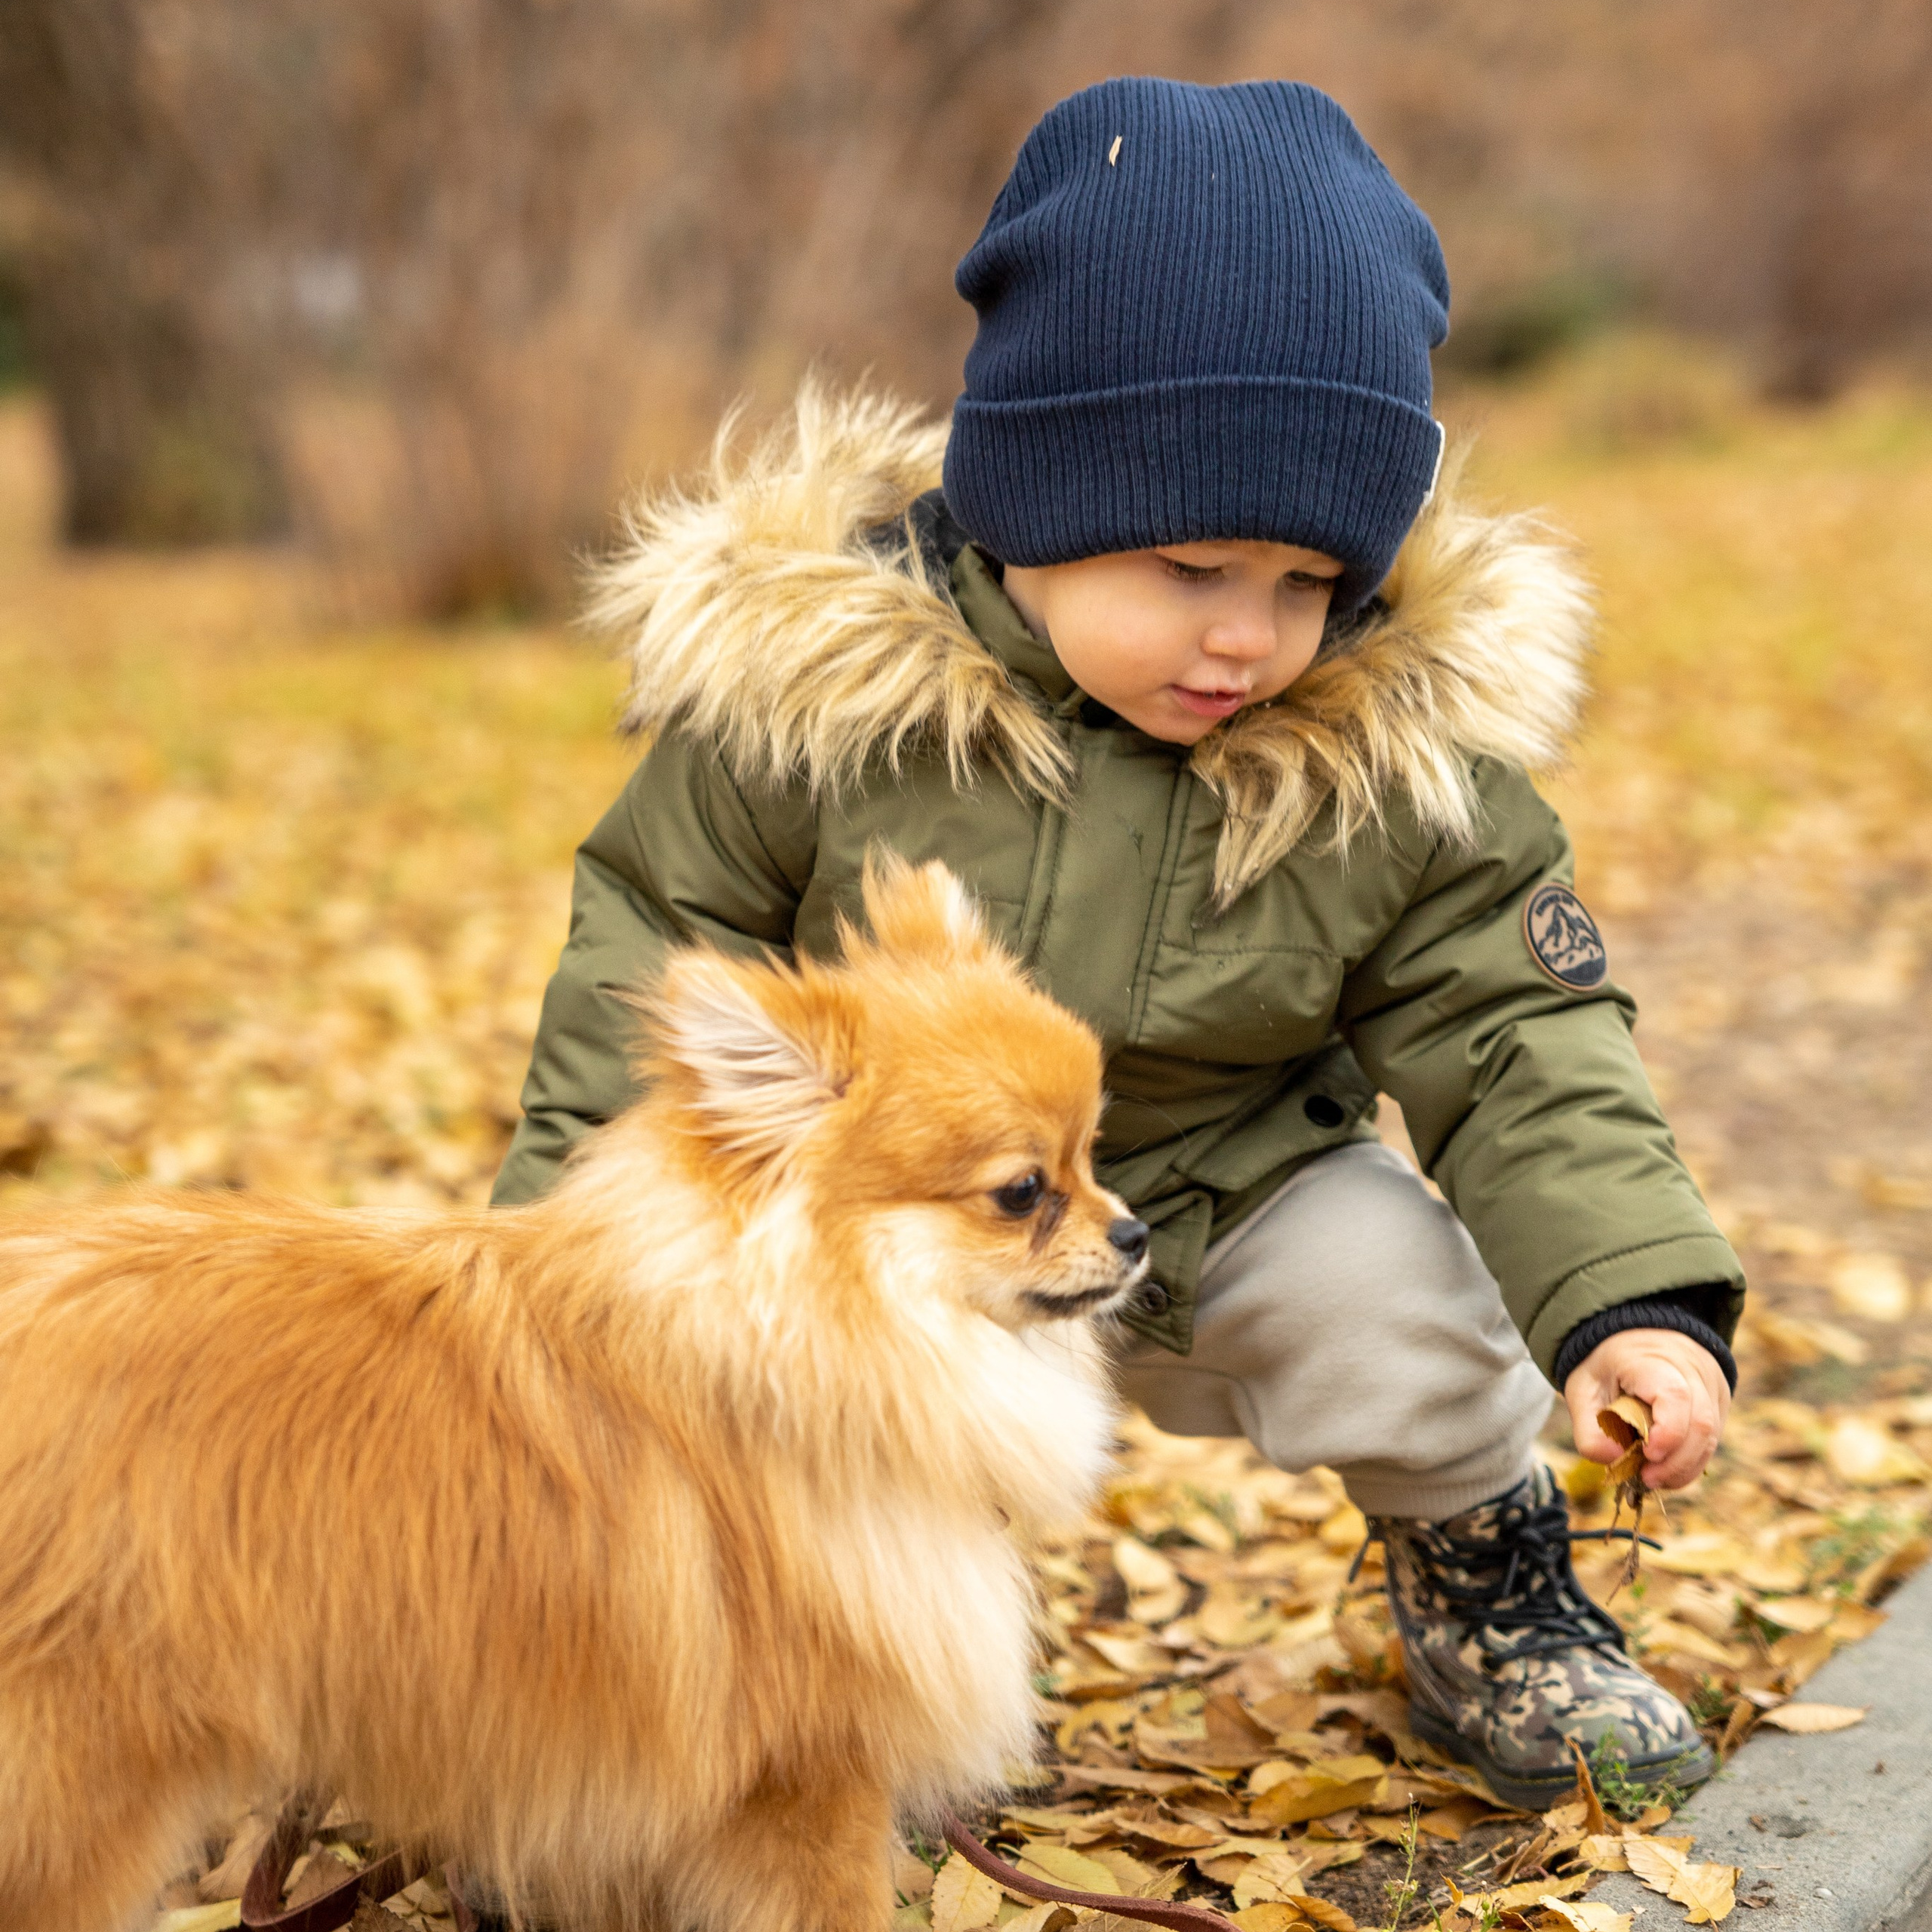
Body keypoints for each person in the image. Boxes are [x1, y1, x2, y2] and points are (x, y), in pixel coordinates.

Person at [494, 76, 1743, 1811]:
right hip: (902, 1238)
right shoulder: (819, 707)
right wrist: (551, 1291)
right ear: (1031, 498)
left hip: (1227, 1193)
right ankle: (749, 1681)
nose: (1247, 635)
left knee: (1400, 1304)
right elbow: (652, 964)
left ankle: (1485, 1579)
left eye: (1309, 582)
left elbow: (1517, 1030)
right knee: (731, 1410)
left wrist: (1633, 1300)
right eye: (1188, 566)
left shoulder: (1386, 759)